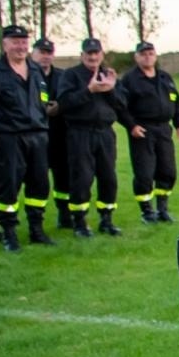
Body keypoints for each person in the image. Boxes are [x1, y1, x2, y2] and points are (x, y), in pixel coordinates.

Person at [0, 24, 57, 251]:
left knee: (39, 185)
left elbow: (42, 101)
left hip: (37, 136)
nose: (20, 46)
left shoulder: (36, 70)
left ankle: (36, 230)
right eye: (15, 41)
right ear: (5, 44)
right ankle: (9, 234)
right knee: (9, 186)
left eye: (24, 41)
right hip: (9, 137)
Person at [54, 38, 131, 237]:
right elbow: (64, 103)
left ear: (101, 55)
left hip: (105, 133)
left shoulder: (109, 75)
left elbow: (122, 104)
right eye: (88, 53)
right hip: (80, 132)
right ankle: (79, 221)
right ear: (82, 55)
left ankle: (107, 219)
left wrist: (111, 89)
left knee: (108, 177)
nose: (92, 57)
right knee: (82, 177)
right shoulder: (71, 75)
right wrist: (89, 90)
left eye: (96, 53)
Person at [118, 40, 179, 224]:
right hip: (142, 130)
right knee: (145, 172)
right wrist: (131, 126)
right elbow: (121, 107)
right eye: (143, 54)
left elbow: (175, 101)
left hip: (163, 129)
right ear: (136, 57)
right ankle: (147, 211)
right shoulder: (130, 80)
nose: (148, 57)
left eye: (151, 53)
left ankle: (162, 208)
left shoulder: (164, 78)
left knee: (167, 170)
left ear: (155, 56)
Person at [32, 37, 71, 230]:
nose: (45, 56)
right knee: (37, 178)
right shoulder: (27, 74)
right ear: (34, 53)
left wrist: (60, 106)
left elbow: (70, 99)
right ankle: (35, 220)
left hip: (59, 134)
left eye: (49, 53)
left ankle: (64, 214)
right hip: (33, 134)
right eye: (42, 52)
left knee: (63, 177)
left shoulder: (63, 76)